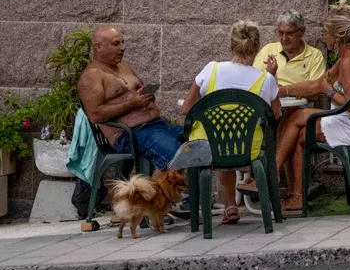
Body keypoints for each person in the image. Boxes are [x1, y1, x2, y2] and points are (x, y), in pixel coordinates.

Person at [273, 1, 350, 213]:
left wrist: (329, 91)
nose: (323, 37)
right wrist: (281, 91)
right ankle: (294, 195)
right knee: (297, 128)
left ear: (337, 37)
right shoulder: (349, 56)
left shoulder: (349, 62)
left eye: (326, 33)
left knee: (295, 120)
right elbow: (315, 84)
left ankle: (274, 176)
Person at [179, 21, 282, 225]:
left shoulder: (211, 69)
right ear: (257, 47)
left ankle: (230, 205)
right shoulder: (265, 80)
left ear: (231, 44)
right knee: (234, 141)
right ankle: (239, 205)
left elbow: (186, 109)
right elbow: (276, 113)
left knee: (221, 140)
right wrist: (272, 76)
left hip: (212, 148)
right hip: (250, 148)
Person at [78, 27, 186, 184]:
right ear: (98, 46)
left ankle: (182, 200)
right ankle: (146, 203)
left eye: (123, 42)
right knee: (174, 154)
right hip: (130, 134)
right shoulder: (91, 76)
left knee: (195, 144)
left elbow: (136, 93)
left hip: (158, 126)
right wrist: (132, 103)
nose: (122, 47)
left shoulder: (125, 67)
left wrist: (146, 96)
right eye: (116, 44)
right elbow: (95, 114)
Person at [242, 10, 326, 200]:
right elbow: (254, 81)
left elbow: (316, 88)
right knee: (287, 123)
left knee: (291, 118)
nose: (284, 38)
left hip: (300, 112)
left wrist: (284, 89)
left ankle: (275, 177)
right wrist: (271, 82)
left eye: (290, 33)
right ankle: (294, 195)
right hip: (268, 112)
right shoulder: (268, 50)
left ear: (302, 32)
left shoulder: (314, 56)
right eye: (280, 32)